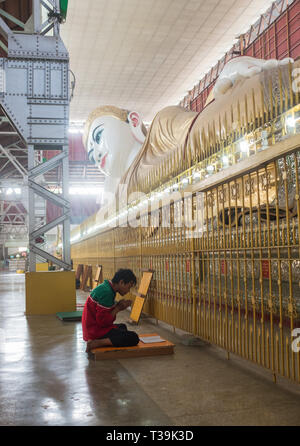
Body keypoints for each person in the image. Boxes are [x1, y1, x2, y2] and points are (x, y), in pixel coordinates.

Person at [82, 268, 139, 352]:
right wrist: (118, 308)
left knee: (122, 327)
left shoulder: (107, 287)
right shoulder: (107, 292)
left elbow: (105, 313)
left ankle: (97, 340)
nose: (128, 291)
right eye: (128, 287)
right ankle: (96, 343)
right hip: (94, 330)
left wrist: (117, 306)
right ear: (121, 282)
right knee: (133, 337)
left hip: (91, 327)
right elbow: (103, 322)